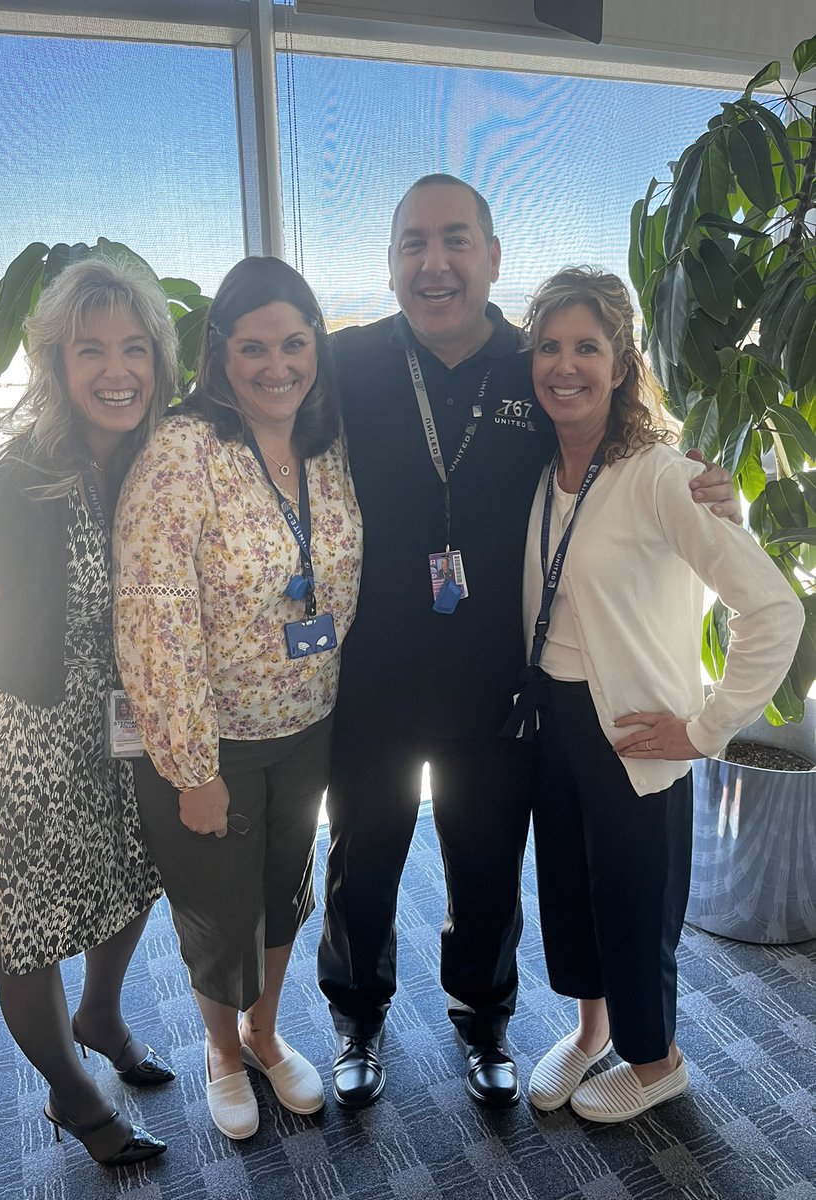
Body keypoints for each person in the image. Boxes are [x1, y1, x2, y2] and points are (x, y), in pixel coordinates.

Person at [317, 174, 741, 1109]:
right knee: (364, 860)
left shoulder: (533, 361)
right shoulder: (344, 365)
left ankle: (484, 1023)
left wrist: (724, 497)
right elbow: (251, 417)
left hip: (501, 687)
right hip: (375, 677)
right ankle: (358, 1020)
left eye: (457, 240)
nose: (436, 262)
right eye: (414, 243)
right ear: (389, 266)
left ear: (493, 257)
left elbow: (624, 442)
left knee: (486, 867)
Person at [520, 267, 802, 1122]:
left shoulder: (660, 474)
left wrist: (707, 728)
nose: (565, 366)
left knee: (637, 909)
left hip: (638, 732)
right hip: (551, 718)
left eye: (587, 347)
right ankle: (591, 1032)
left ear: (621, 363)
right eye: (550, 347)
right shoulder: (542, 472)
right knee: (571, 891)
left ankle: (659, 1062)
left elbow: (774, 609)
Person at [0, 258, 179, 1166]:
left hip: (117, 725)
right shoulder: (23, 480)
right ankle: (73, 1097)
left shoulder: (154, 461)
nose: (117, 369)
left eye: (135, 348)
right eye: (90, 350)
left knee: (136, 873)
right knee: (30, 932)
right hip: (23, 738)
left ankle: (101, 1013)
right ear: (57, 366)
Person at [113, 256, 362, 1141]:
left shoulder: (325, 442)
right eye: (253, 347)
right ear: (218, 355)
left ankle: (262, 1032)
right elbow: (154, 616)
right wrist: (191, 766)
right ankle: (223, 1049)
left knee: (282, 888)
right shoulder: (183, 451)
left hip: (309, 723)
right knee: (221, 906)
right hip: (212, 740)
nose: (277, 365)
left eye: (295, 343)